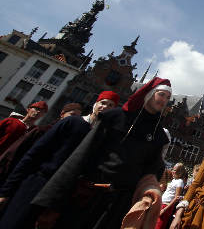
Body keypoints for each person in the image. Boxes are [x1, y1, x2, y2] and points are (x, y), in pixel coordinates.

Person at [31, 77, 172, 229]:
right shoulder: (115, 117)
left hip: (117, 205)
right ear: (150, 93)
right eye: (161, 94)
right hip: (86, 195)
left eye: (168, 97)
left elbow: (152, 172)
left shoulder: (159, 136)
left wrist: (150, 193)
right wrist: (51, 200)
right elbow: (82, 155)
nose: (164, 100)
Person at [0, 92, 118, 229]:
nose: (105, 107)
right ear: (95, 104)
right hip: (37, 185)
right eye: (103, 103)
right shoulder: (72, 122)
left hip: (60, 196)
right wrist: (6, 191)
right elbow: (34, 154)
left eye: (111, 105)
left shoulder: (103, 137)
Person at [155, 163, 186, 229]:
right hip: (162, 204)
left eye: (174, 170)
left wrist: (165, 209)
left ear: (180, 172)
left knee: (159, 226)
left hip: (166, 206)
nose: (172, 171)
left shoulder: (180, 181)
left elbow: (176, 198)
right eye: (173, 169)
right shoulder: (174, 180)